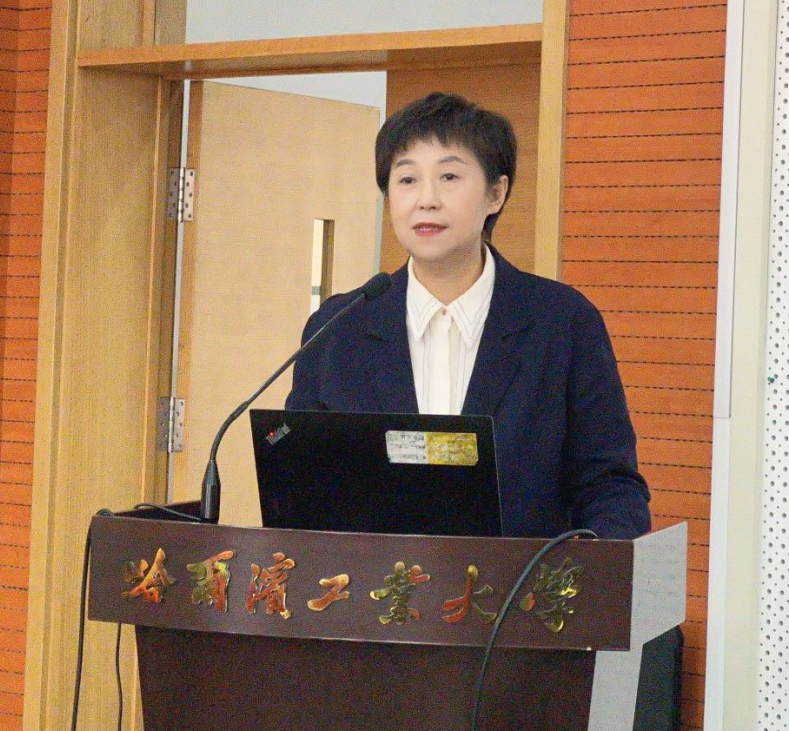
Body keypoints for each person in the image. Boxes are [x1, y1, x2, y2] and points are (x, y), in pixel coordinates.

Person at [286, 92, 651, 540]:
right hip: (372, 583)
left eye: (449, 177)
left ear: (496, 193)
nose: (426, 200)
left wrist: (592, 568)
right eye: (407, 179)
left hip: (523, 582)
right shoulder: (338, 327)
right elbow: (302, 487)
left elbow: (609, 485)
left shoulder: (563, 322)